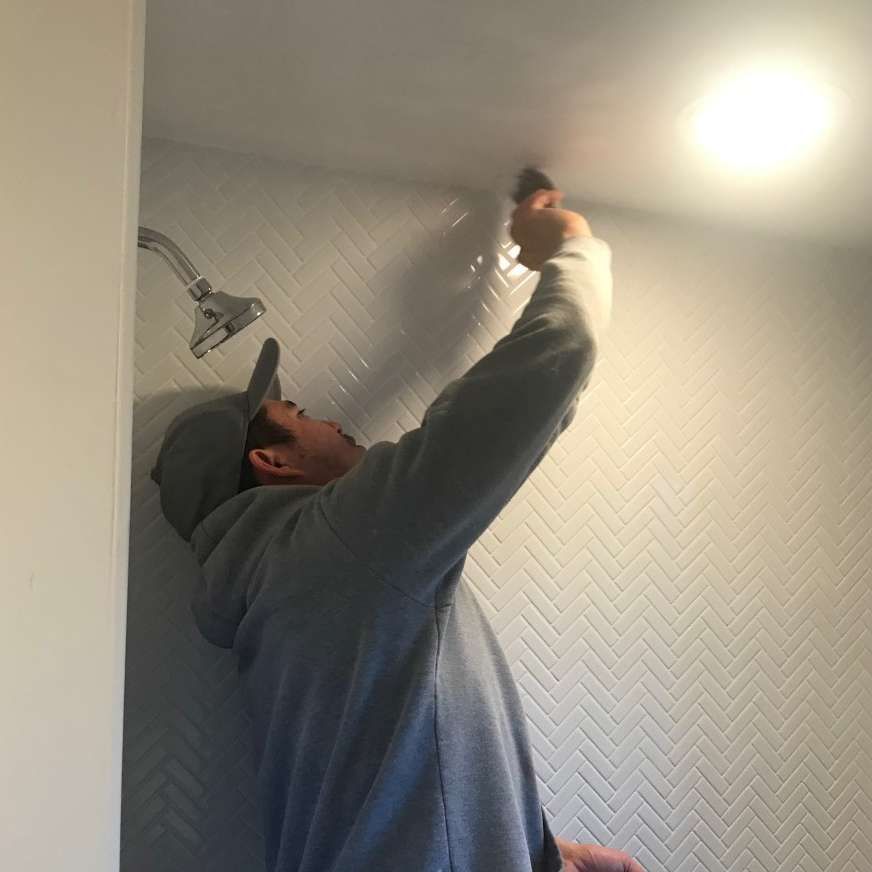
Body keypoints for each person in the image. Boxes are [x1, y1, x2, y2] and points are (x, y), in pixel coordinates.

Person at [151, 189, 645, 872]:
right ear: (270, 461)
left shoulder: (277, 596)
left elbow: (392, 779)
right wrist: (570, 243)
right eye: (299, 414)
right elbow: (551, 361)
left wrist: (538, 855)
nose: (329, 421)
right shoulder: (339, 542)